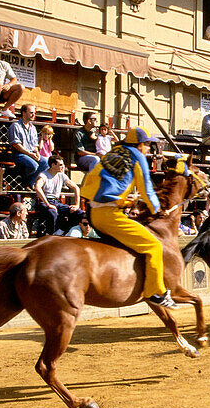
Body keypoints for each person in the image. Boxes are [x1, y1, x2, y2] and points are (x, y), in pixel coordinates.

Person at [80, 126, 176, 308]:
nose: (148, 148)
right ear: (140, 145)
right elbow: (146, 189)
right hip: (109, 216)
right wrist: (157, 210)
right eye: (147, 144)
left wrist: (125, 201)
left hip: (92, 212)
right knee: (154, 246)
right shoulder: (138, 157)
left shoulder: (113, 151)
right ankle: (155, 293)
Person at [34, 155, 82, 234]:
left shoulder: (61, 175)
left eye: (63, 164)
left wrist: (77, 204)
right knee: (52, 213)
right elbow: (37, 187)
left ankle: (62, 231)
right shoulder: (43, 175)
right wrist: (48, 204)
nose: (63, 167)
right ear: (53, 165)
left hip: (57, 202)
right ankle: (52, 235)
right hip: (45, 202)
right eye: (60, 165)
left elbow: (76, 188)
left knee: (79, 213)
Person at [8, 104, 46, 186]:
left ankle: (30, 182)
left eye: (34, 113)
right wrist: (29, 154)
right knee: (34, 165)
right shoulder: (15, 126)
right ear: (23, 113)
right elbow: (16, 144)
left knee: (46, 163)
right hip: (19, 154)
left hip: (31, 153)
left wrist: (37, 153)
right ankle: (22, 180)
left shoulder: (33, 128)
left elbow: (35, 144)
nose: (33, 115)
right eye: (31, 113)